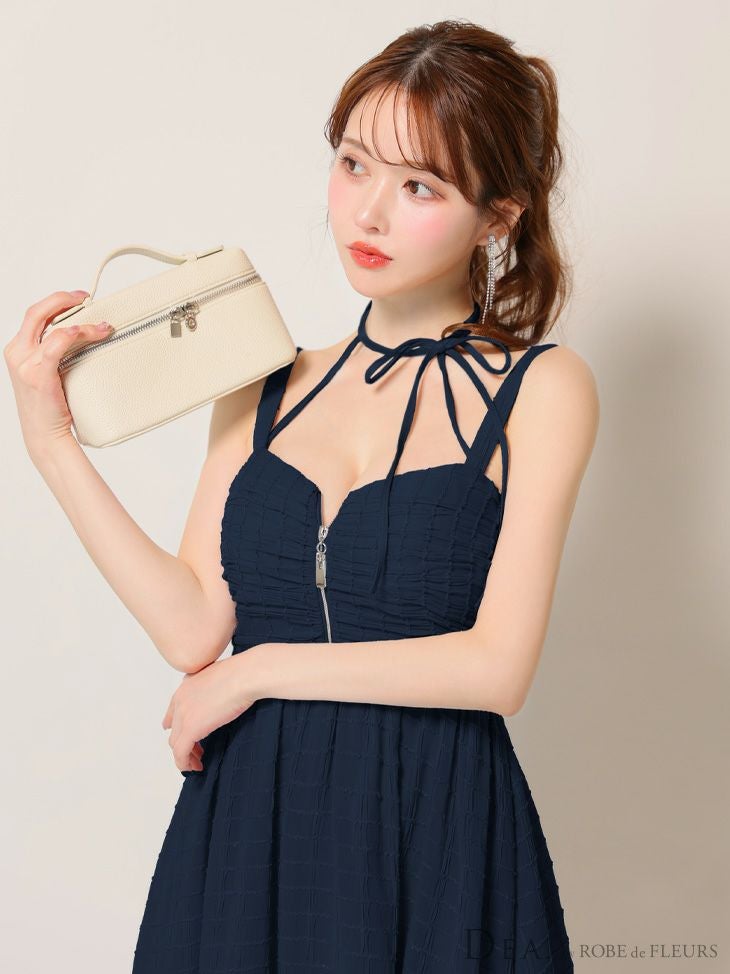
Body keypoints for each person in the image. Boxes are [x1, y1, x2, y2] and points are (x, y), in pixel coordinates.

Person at [6, 19, 599, 974]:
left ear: (499, 217)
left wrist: (254, 674)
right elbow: (193, 628)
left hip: (434, 826)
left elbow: (498, 670)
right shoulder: (264, 379)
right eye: (354, 164)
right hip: (250, 829)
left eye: (420, 186)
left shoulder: (541, 389)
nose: (368, 213)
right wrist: (50, 442)